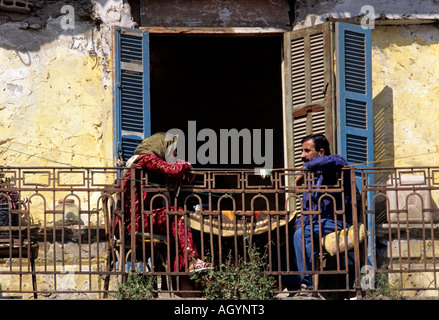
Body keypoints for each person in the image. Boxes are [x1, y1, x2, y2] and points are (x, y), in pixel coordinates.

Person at [115, 132, 211, 273]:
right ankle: (191, 260)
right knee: (176, 214)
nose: (175, 153)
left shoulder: (144, 162)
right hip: (135, 221)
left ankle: (180, 275)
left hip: (139, 219)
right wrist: (185, 165)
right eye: (173, 149)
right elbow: (170, 170)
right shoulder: (146, 159)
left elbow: (167, 173)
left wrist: (182, 174)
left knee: (176, 225)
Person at [293, 133, 360, 295]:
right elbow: (308, 211)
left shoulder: (335, 163)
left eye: (306, 151)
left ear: (320, 152)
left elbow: (333, 161)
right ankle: (293, 283)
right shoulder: (312, 178)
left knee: (303, 233)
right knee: (295, 232)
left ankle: (306, 286)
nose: (302, 155)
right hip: (319, 224)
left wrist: (305, 168)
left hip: (339, 221)